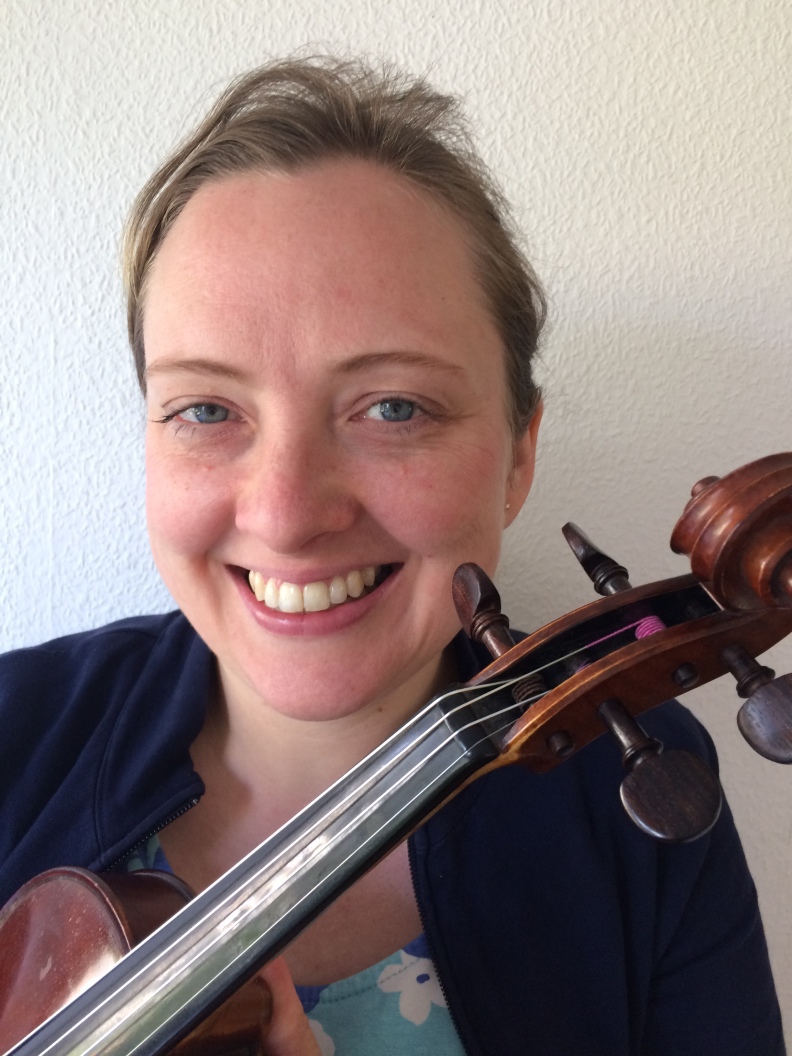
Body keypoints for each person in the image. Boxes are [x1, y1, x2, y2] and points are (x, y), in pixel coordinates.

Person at [0, 56, 784, 1055]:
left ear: (519, 456)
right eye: (205, 409)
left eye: (395, 407)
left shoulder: (641, 798)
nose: (287, 513)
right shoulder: (13, 738)